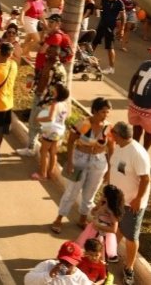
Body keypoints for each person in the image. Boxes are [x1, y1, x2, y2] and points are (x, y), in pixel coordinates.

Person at [53, 97, 114, 234]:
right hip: (79, 159)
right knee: (71, 192)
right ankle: (59, 218)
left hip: (98, 163)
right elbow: (70, 141)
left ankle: (82, 219)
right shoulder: (83, 123)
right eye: (103, 112)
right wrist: (70, 162)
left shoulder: (109, 128)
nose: (106, 115)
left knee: (90, 193)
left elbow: (111, 148)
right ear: (95, 111)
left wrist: (109, 170)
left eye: (108, 112)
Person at [106, 121, 151, 285]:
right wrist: (108, 191)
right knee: (119, 226)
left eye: (113, 134)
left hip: (132, 203)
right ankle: (111, 252)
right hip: (118, 199)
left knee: (131, 236)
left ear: (119, 135)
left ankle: (129, 268)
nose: (112, 136)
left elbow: (146, 179)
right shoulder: (119, 146)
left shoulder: (137, 153)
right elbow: (113, 167)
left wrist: (138, 199)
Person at [76, 184, 125, 266]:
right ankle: (86, 265)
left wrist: (98, 225)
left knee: (98, 253)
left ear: (109, 197)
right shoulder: (103, 203)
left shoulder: (112, 211)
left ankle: (98, 269)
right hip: (92, 230)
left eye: (104, 195)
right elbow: (93, 212)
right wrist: (97, 207)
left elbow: (114, 230)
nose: (102, 196)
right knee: (89, 249)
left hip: (102, 234)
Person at [32, 83, 70, 181]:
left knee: (43, 151)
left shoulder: (55, 104)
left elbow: (50, 118)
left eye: (55, 90)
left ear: (58, 93)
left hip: (51, 130)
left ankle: (42, 174)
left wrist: (38, 119)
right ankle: (50, 173)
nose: (53, 91)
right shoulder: (65, 104)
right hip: (60, 130)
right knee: (53, 152)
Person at [91, 0, 125, 74]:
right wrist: (97, 10)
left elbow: (123, 16)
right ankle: (88, 60)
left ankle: (111, 67)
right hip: (101, 24)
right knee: (94, 42)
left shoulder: (119, 3)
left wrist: (122, 29)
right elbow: (101, 9)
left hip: (110, 27)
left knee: (110, 47)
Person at [23, 241, 90, 285]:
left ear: (77, 262)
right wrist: (49, 275)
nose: (64, 264)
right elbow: (27, 281)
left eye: (69, 263)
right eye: (62, 260)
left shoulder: (82, 279)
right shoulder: (47, 265)